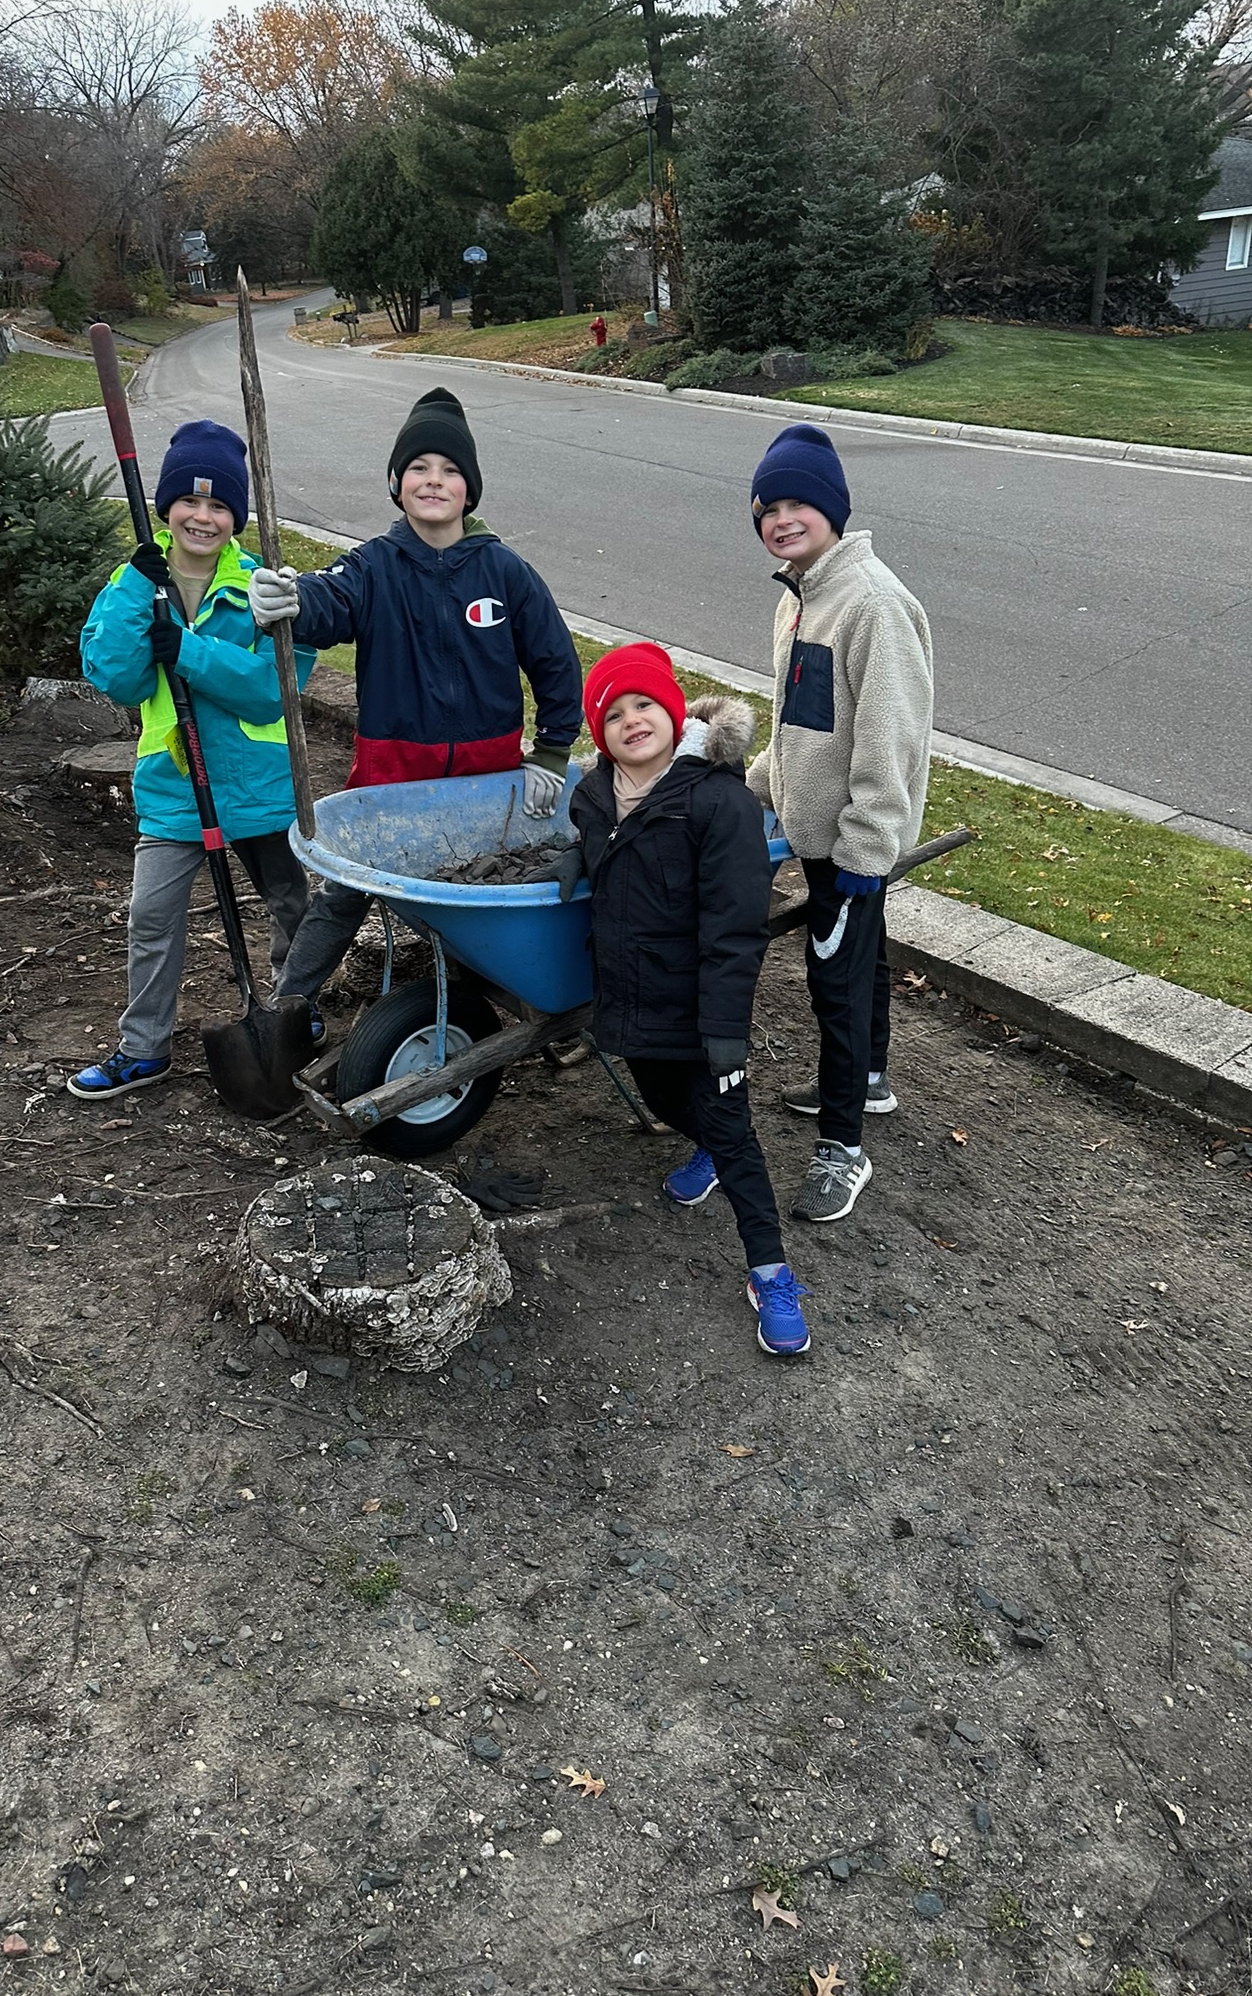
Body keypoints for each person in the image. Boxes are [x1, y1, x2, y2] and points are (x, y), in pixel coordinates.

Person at [247, 386, 582, 1009]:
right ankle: (287, 1006)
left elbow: (556, 664)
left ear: (470, 489)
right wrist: (289, 601)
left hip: (487, 780)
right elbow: (328, 603)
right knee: (344, 893)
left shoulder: (505, 572)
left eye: (451, 471)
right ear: (397, 484)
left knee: (482, 894)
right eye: (419, 469)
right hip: (392, 774)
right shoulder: (374, 568)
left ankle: (489, 993)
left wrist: (552, 752)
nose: (434, 481)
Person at [570, 641, 810, 1357]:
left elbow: (736, 930)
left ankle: (769, 1271)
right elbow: (597, 848)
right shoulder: (591, 796)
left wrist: (727, 1031)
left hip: (702, 1002)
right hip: (628, 995)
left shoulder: (718, 803)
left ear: (675, 714)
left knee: (731, 1126)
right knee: (661, 1098)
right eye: (613, 714)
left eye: (645, 704)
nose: (632, 720)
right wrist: (569, 856)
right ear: (600, 733)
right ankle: (700, 1143)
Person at [68, 419, 316, 1100]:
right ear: (166, 507)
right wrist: (129, 594)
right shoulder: (133, 583)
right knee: (152, 914)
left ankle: (298, 1016)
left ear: (235, 514)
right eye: (190, 502)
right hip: (176, 787)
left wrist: (186, 650)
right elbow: (115, 676)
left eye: (218, 505)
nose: (202, 517)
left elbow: (273, 691)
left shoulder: (263, 585)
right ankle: (143, 1048)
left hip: (260, 788)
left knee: (293, 903)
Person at [740, 422, 933, 1223]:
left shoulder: (873, 606)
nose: (783, 519)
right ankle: (872, 1081)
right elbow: (805, 720)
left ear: (833, 511)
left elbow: (890, 740)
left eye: (798, 505)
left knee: (837, 984)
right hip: (819, 829)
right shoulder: (803, 595)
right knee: (862, 967)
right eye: (768, 507)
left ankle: (843, 1148)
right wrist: (755, 782)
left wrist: (864, 849)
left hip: (850, 841)